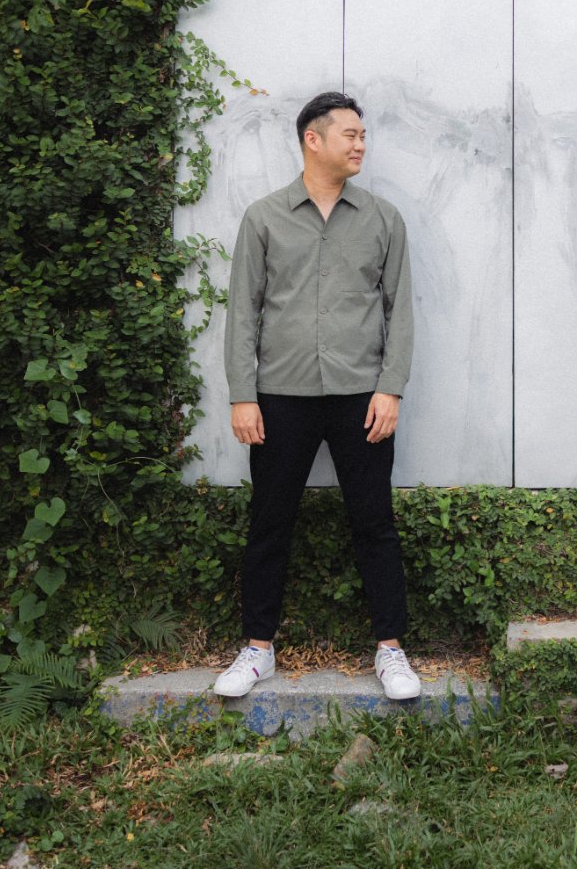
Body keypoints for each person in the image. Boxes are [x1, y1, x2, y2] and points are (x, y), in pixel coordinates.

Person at [213, 91, 422, 701]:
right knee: (269, 522)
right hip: (280, 395)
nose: (361, 144)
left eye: (363, 135)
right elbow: (243, 312)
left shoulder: (383, 219)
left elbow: (400, 312)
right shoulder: (264, 218)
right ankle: (257, 649)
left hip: (362, 397)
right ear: (314, 139)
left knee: (374, 522)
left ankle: (391, 650)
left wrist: (391, 387)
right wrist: (242, 394)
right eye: (350, 135)